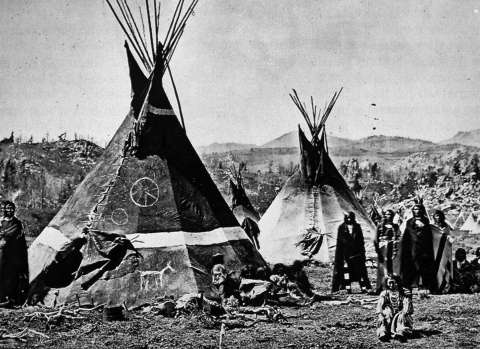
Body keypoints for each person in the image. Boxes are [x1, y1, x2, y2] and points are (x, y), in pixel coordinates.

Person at [400, 202, 437, 293]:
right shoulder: (409, 222)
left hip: (424, 249)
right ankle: (409, 285)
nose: (417, 211)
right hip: (412, 248)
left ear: (421, 210)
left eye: (418, 209)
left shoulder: (426, 221)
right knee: (411, 267)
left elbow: (428, 236)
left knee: (424, 267)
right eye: (415, 209)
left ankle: (424, 286)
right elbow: (407, 235)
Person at [332, 212, 372, 293]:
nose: (349, 219)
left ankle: (364, 288)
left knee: (360, 271)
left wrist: (362, 252)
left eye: (350, 217)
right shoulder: (342, 227)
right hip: (345, 253)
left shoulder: (357, 227)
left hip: (356, 253)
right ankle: (347, 288)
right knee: (346, 271)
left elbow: (361, 241)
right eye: (347, 218)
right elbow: (340, 242)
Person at [0, 201, 28, 306]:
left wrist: (4, 235)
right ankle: (1, 298)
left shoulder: (17, 222)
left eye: (11, 208)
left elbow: (17, 235)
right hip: (2, 251)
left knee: (11, 275)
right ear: (4, 209)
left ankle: (11, 298)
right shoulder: (1, 221)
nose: (10, 210)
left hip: (13, 253)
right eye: (7, 208)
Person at [376, 275, 413, 342]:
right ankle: (383, 332)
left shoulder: (404, 292)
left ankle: (401, 332)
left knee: (402, 316)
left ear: (398, 282)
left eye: (393, 282)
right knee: (386, 314)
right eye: (389, 283)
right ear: (386, 283)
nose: (391, 285)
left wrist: (404, 311)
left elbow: (407, 304)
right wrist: (380, 314)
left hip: (401, 314)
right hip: (389, 316)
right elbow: (380, 306)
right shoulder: (384, 293)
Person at [374, 210, 401, 293]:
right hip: (383, 248)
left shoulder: (395, 226)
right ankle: (380, 287)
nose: (388, 216)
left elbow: (398, 236)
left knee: (391, 268)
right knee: (382, 268)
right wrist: (378, 250)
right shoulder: (380, 226)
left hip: (392, 248)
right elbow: (376, 239)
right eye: (386, 214)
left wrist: (395, 244)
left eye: (390, 214)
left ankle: (391, 286)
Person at [431, 210, 454, 292]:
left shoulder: (446, 226)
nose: (437, 217)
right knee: (435, 267)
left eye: (438, 215)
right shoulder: (432, 227)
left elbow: (449, 235)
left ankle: (445, 286)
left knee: (444, 266)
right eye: (435, 216)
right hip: (435, 249)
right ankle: (436, 286)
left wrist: (448, 237)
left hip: (444, 249)